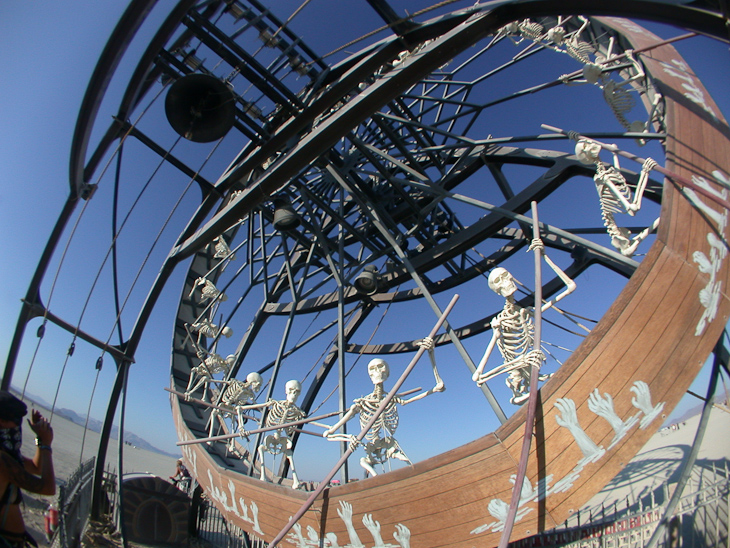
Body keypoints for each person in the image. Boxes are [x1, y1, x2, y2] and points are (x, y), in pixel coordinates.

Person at [0, 391, 55, 548]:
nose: (18, 425)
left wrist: (39, 439)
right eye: (15, 420)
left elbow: (36, 468)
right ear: (2, 421)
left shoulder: (8, 457)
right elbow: (48, 488)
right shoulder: (2, 461)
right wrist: (46, 444)